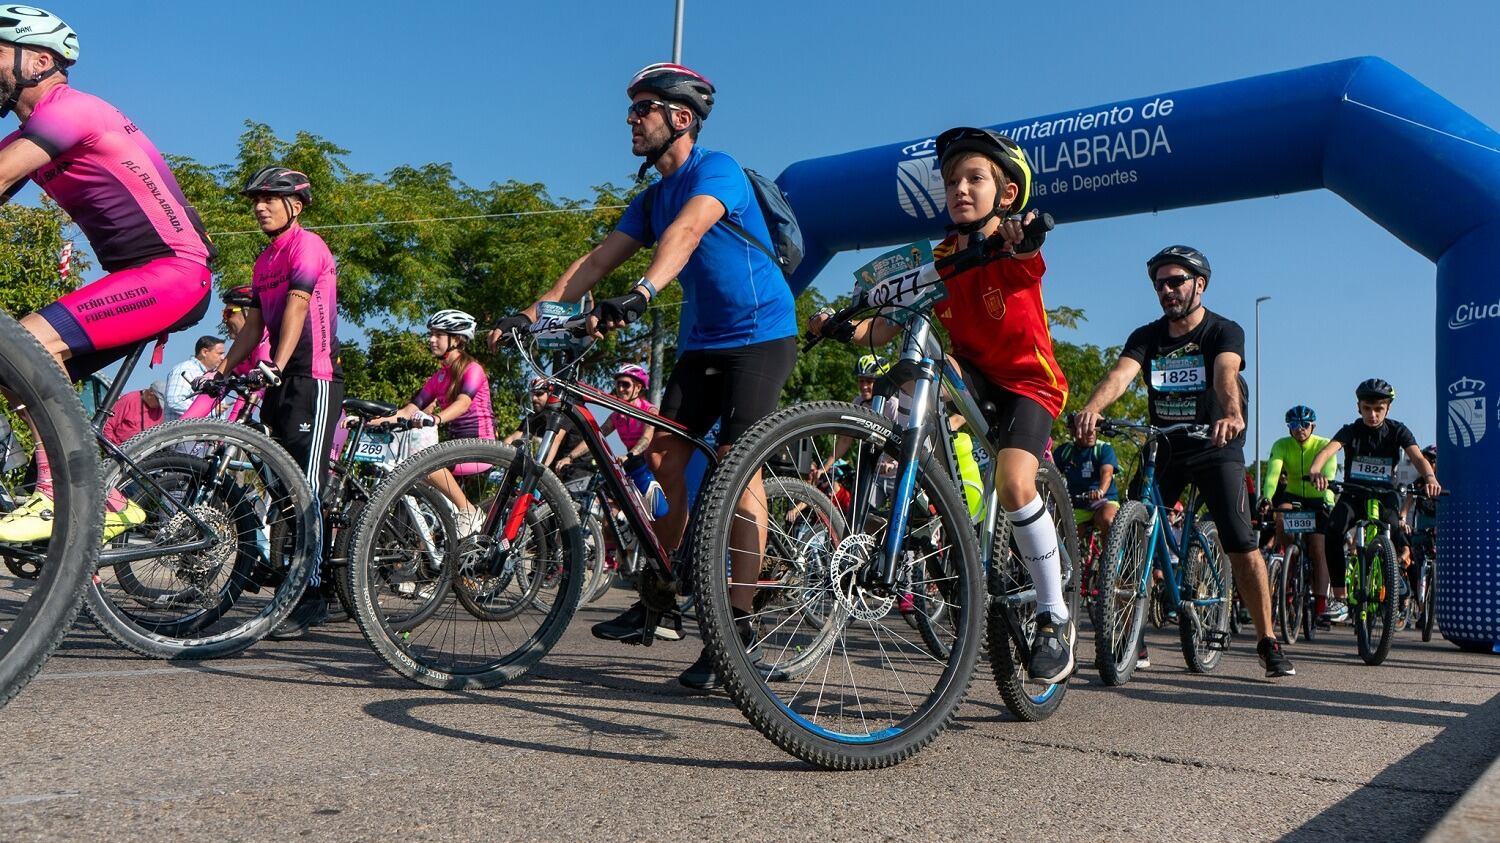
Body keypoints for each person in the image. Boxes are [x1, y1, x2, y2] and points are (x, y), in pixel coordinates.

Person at [489, 63, 798, 690]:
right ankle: (660, 599)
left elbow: (686, 234)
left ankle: (737, 627)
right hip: (706, 340)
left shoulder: (718, 170)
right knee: (662, 457)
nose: (631, 119)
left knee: (739, 463)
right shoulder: (650, 198)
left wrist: (640, 294)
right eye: (631, 110)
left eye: (643, 109)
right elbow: (597, 260)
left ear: (679, 118)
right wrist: (530, 313)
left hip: (762, 334)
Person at [809, 127, 1075, 683]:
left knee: (1015, 483)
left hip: (1028, 384)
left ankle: (1054, 616)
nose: (959, 188)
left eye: (974, 178)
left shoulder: (1009, 242)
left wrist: (1023, 236)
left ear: (1005, 193)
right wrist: (840, 326)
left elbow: (1028, 254)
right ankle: (934, 521)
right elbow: (884, 325)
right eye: (952, 180)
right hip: (972, 377)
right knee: (916, 376)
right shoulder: (940, 259)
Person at [0, 8, 214, 543]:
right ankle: (108, 500)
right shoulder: (35, 130)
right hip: (143, 278)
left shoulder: (70, 111)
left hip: (173, 273)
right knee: (16, 368)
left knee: (25, 346)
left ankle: (60, 496)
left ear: (39, 61)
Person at [1073, 245, 1296, 678]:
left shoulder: (1223, 331)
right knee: (1130, 535)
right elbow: (1120, 375)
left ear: (1200, 284)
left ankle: (1268, 641)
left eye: (1176, 281)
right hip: (1167, 445)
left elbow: (1225, 374)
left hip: (1215, 442)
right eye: (1160, 283)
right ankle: (1127, 636)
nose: (1167, 290)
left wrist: (1232, 415)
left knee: (1240, 541)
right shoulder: (1147, 335)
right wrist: (1092, 409)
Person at [218, 166, 341, 639]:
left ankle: (311, 593)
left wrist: (279, 362)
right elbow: (253, 326)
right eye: (256, 200)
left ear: (296, 204)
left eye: (270, 198)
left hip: (314, 377)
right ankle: (293, 577)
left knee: (304, 488)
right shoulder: (264, 259)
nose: (260, 206)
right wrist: (224, 371)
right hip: (280, 379)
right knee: (280, 491)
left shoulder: (307, 246)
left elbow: (297, 305)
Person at [1308, 379, 1439, 624]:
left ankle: (1396, 578)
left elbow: (1418, 457)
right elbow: (1328, 451)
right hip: (1353, 494)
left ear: (1388, 408)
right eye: (1367, 408)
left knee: (1397, 529)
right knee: (1333, 531)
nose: (1373, 414)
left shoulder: (1398, 430)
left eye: (1379, 408)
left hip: (1384, 495)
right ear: (1359, 407)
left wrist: (1430, 476)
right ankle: (1340, 598)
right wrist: (1316, 469)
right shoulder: (1351, 429)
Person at [371, 309, 494, 535]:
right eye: (431, 334)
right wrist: (369, 421)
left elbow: (463, 403)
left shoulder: (472, 369)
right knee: (413, 475)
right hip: (455, 449)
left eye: (438, 335)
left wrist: (435, 418)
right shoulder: (439, 377)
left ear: (456, 339)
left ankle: (469, 511)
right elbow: (408, 411)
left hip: (481, 448)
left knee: (426, 464)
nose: (431, 339)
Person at [555, 363, 666, 518]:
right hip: (632, 463)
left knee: (657, 513)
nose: (620, 389)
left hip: (651, 466)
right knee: (611, 509)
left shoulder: (649, 410)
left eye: (625, 384)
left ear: (638, 387)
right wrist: (570, 457)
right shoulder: (617, 415)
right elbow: (594, 437)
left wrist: (629, 455)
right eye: (618, 384)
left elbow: (647, 437)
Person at [1258, 405, 1337, 619]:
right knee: (1281, 515)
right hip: (1293, 495)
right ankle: (1289, 564)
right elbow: (1273, 475)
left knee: (1318, 549)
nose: (1299, 429)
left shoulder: (1324, 445)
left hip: (1319, 498)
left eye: (1305, 425)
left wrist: (1326, 497)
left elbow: (1328, 475)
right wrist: (1266, 496)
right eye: (1294, 425)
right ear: (1288, 428)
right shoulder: (1281, 445)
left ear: (1313, 426)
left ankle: (1321, 603)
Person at [1054, 428, 1120, 535]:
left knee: (1108, 521)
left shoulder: (1103, 448)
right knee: (1062, 535)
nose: (1091, 433)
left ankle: (1110, 552)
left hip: (1105, 501)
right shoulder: (1065, 451)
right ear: (1074, 432)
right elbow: (1050, 471)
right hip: (1078, 506)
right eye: (1086, 430)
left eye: (1094, 429)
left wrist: (1100, 491)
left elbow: (1107, 473)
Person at [164, 335, 224, 420]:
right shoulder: (185, 370)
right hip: (183, 432)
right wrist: (212, 412)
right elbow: (175, 400)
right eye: (219, 353)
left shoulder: (214, 375)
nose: (223, 358)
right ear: (204, 352)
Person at [102, 381, 165, 446]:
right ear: (151, 393)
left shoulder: (159, 411)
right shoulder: (129, 399)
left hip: (143, 453)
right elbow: (108, 424)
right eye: (158, 401)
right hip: (119, 449)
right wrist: (110, 447)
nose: (159, 406)